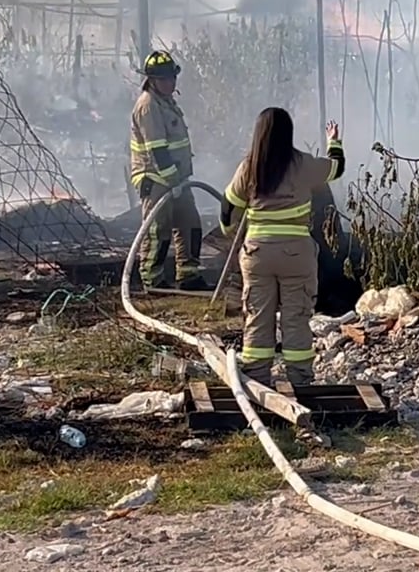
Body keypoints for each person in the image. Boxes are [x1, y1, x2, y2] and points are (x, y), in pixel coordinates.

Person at [220, 108, 345, 387]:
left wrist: (233, 235)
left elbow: (228, 208)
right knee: (296, 317)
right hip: (296, 255)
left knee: (257, 316)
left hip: (257, 255)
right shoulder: (303, 164)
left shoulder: (249, 166)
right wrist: (334, 141)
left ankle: (257, 380)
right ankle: (300, 381)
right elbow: (336, 168)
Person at [129, 49, 208, 291]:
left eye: (172, 77)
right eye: (164, 79)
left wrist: (179, 181)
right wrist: (173, 181)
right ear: (151, 80)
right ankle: (152, 281)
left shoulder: (166, 102)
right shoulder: (148, 106)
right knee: (157, 230)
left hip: (177, 179)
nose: (170, 82)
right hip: (156, 178)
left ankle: (188, 275)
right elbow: (157, 151)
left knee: (190, 224)